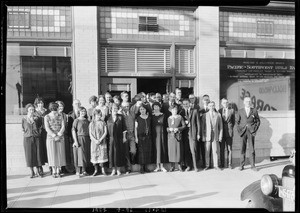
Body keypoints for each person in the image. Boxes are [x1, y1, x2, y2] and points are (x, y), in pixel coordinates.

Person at [236, 97, 260, 171]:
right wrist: (240, 130)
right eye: (246, 101)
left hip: (251, 132)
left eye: (249, 101)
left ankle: (253, 166)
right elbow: (237, 122)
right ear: (244, 102)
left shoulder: (254, 110)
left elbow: (258, 121)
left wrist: (254, 129)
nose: (248, 103)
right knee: (242, 149)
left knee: (252, 149)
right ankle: (241, 166)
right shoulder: (240, 111)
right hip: (243, 132)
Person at [22, 103, 44, 178]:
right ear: (27, 110)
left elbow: (41, 127)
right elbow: (23, 128)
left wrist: (38, 133)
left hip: (36, 138)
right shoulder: (24, 119)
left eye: (32, 109)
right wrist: (26, 133)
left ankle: (38, 170)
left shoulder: (37, 118)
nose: (31, 111)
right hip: (27, 138)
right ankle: (32, 171)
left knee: (38, 154)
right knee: (29, 155)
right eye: (30, 109)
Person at [44, 102, 66, 178]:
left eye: (55, 109)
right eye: (53, 109)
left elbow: (63, 126)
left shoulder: (60, 116)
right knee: (52, 153)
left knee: (59, 153)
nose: (54, 111)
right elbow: (47, 128)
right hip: (51, 137)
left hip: (60, 136)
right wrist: (54, 135)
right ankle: (54, 170)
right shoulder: (47, 116)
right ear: (50, 109)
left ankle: (58, 170)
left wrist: (59, 134)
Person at [180, 98, 201, 172]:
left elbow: (198, 123)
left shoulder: (194, 111)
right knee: (186, 150)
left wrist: (198, 133)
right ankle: (189, 166)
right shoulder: (181, 112)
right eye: (184, 104)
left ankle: (195, 166)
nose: (185, 105)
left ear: (189, 104)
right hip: (185, 134)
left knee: (193, 150)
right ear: (182, 105)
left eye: (187, 104)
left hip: (193, 133)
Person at [201, 101, 223, 171]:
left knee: (215, 151)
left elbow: (221, 127)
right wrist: (203, 136)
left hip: (215, 135)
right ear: (208, 107)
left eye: (213, 106)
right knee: (207, 151)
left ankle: (216, 165)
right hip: (207, 136)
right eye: (210, 106)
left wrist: (220, 136)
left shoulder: (218, 115)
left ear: (214, 106)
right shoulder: (205, 115)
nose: (211, 107)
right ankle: (207, 165)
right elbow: (203, 127)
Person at [106, 103, 127, 176]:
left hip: (119, 138)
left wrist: (124, 137)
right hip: (111, 139)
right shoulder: (107, 117)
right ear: (111, 109)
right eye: (113, 108)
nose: (115, 110)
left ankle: (118, 170)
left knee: (118, 153)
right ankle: (113, 170)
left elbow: (124, 128)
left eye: (116, 108)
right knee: (111, 154)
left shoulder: (121, 117)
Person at [72, 107, 91, 177]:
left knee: (85, 155)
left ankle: (84, 170)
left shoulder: (87, 121)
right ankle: (78, 171)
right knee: (80, 155)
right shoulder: (76, 120)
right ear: (79, 112)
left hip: (87, 139)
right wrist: (75, 141)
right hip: (79, 138)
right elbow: (73, 130)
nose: (83, 113)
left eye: (84, 111)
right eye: (82, 111)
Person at [56, 101, 74, 174]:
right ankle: (58, 169)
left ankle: (65, 168)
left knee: (65, 152)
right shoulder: (54, 115)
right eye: (59, 106)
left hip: (65, 136)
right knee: (58, 152)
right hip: (57, 136)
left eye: (62, 106)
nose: (61, 108)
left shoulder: (66, 115)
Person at [89, 109, 108, 176]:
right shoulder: (91, 123)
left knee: (102, 155)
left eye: (100, 115)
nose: (98, 116)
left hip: (102, 141)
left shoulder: (103, 122)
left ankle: (103, 170)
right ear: (94, 115)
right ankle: (96, 170)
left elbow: (105, 132)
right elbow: (90, 133)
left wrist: (100, 139)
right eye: (97, 115)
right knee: (95, 156)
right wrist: (95, 140)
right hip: (94, 142)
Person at [167, 105, 186, 172]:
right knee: (171, 151)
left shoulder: (180, 117)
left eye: (175, 110)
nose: (174, 111)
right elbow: (166, 128)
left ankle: (179, 166)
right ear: (171, 110)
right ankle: (172, 166)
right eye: (173, 110)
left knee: (178, 151)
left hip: (178, 136)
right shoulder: (169, 118)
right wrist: (169, 129)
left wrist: (178, 129)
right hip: (171, 137)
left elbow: (184, 126)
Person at [135, 104, 153, 173]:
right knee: (141, 152)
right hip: (140, 137)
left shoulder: (149, 117)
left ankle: (146, 167)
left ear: (146, 110)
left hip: (148, 137)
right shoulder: (137, 118)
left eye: (143, 109)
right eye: (141, 109)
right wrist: (136, 137)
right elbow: (135, 128)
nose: (142, 111)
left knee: (147, 151)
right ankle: (141, 167)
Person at [218, 98, 235, 169]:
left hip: (229, 132)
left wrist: (230, 128)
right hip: (221, 133)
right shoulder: (219, 111)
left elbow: (233, 122)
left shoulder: (232, 110)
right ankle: (222, 164)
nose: (225, 104)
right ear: (221, 103)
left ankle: (230, 163)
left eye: (226, 102)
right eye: (224, 103)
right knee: (222, 149)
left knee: (229, 149)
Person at [121, 102, 137, 174]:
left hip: (132, 134)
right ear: (122, 107)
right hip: (125, 135)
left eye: (127, 106)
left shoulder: (132, 113)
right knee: (126, 152)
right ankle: (128, 168)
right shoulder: (121, 114)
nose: (126, 108)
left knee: (133, 151)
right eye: (125, 106)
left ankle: (132, 159)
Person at [151, 102, 168, 172]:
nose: (156, 108)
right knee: (156, 150)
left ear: (159, 107)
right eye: (154, 106)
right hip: (155, 135)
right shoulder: (152, 116)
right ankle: (157, 166)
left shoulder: (163, 115)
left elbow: (166, 125)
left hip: (162, 135)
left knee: (162, 149)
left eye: (157, 106)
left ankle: (162, 166)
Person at [33, 97, 48, 174]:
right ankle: (40, 168)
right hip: (38, 134)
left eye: (41, 103)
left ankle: (51, 167)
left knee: (47, 148)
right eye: (39, 103)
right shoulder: (34, 112)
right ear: (36, 104)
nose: (40, 104)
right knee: (39, 150)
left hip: (46, 133)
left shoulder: (47, 111)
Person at [198, 94, 210, 168]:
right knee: (202, 148)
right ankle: (203, 163)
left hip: (209, 131)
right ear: (202, 101)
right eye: (204, 100)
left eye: (207, 99)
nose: (206, 101)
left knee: (209, 148)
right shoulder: (200, 110)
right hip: (202, 131)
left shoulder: (212, 108)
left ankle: (209, 163)